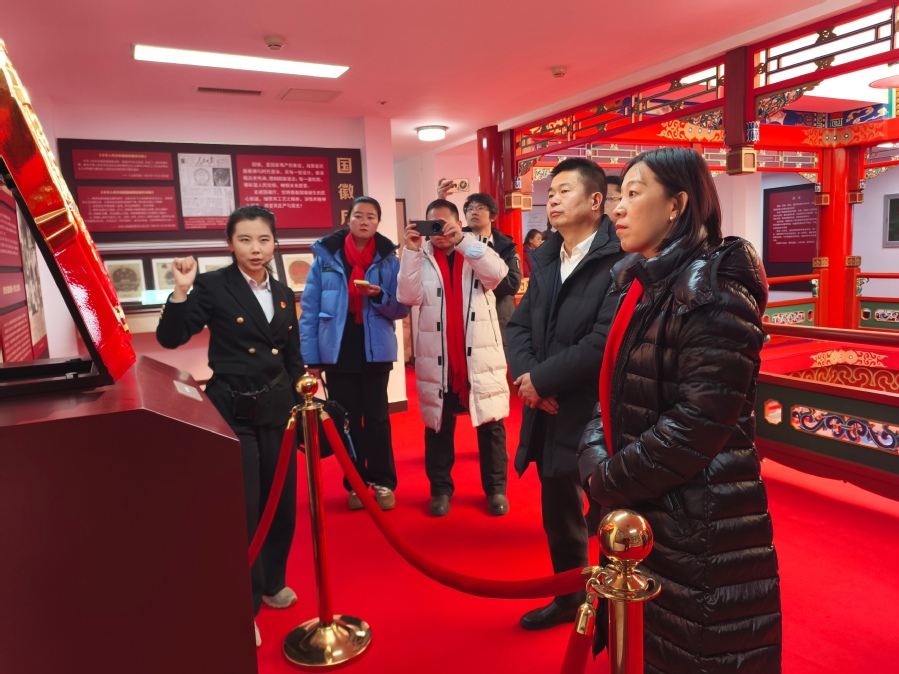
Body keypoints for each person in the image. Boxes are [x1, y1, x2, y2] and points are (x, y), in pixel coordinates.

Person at [578, 147, 782, 672]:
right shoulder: (647, 282)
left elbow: (698, 424)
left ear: (677, 205)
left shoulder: (714, 290)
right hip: (648, 505)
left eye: (633, 192)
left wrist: (606, 479)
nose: (617, 208)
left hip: (699, 519)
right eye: (619, 195)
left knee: (692, 650)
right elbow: (613, 389)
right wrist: (597, 460)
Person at [156, 205, 304, 648]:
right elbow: (171, 338)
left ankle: (273, 582)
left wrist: (303, 400)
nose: (255, 249)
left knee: (281, 503)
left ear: (274, 243)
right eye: (245, 240)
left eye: (263, 240)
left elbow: (291, 355)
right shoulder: (213, 285)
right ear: (230, 243)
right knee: (245, 509)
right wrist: (181, 291)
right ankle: (245, 603)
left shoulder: (283, 291)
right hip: (235, 412)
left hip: (279, 411)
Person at [507, 158, 624, 630]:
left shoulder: (621, 259)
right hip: (548, 405)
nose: (552, 199)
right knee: (558, 510)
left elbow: (603, 341)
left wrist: (542, 381)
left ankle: (620, 604)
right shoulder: (546, 258)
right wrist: (530, 381)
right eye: (550, 192)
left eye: (564, 191)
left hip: (597, 409)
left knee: (612, 512)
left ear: (596, 201)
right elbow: (518, 327)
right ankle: (570, 597)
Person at [397, 199, 511, 517]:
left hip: (480, 357)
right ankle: (440, 489)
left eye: (444, 224)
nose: (438, 231)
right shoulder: (420, 256)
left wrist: (462, 242)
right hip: (439, 359)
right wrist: (409, 252)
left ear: (458, 224)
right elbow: (407, 296)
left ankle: (496, 489)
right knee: (438, 426)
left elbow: (497, 275)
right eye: (432, 225)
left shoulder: (476, 248)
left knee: (491, 424)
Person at [300, 196, 410, 511]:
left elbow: (401, 308)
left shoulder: (389, 259)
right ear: (348, 219)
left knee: (377, 419)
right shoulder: (326, 257)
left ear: (378, 222)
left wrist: (378, 296)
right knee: (347, 421)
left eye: (371, 216)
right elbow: (309, 309)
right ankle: (355, 484)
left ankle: (384, 482)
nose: (364, 221)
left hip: (376, 351)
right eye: (358, 215)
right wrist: (312, 358)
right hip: (337, 352)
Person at [437, 181, 522, 354]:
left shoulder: (506, 245)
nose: (474, 212)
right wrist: (441, 200)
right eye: (470, 208)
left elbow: (513, 284)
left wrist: (482, 280)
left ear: (493, 216)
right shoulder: (454, 242)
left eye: (480, 208)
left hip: (499, 316)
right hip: (465, 318)